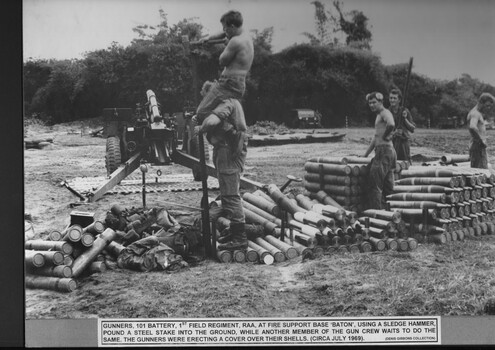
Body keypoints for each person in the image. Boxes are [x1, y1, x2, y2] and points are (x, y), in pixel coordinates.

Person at [198, 87, 248, 251]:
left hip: (228, 151)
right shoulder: (231, 102)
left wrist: (202, 127)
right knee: (227, 194)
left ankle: (240, 238)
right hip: (226, 150)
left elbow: (212, 122)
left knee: (231, 195)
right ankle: (235, 232)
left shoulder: (226, 103)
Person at [195, 10, 254, 123]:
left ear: (232, 26)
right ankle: (229, 129)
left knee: (201, 113)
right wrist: (209, 38)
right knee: (220, 114)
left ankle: (230, 131)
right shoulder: (245, 35)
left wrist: (227, 45)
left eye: (225, 27)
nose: (223, 30)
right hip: (239, 85)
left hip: (227, 84)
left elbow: (222, 61)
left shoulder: (235, 41)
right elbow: (225, 34)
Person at [362, 92, 397, 210]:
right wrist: (365, 154)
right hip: (388, 151)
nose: (371, 105)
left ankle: (376, 215)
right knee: (388, 185)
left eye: (374, 102)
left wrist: (386, 136)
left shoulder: (384, 113)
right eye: (370, 103)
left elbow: (391, 124)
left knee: (375, 184)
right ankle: (390, 212)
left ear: (381, 102)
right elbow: (376, 138)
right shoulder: (378, 115)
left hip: (384, 151)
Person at [467, 92, 495, 168]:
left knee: (482, 168)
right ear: (481, 102)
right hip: (477, 145)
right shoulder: (475, 113)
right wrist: (481, 140)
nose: (488, 108)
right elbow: (472, 127)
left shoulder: (478, 113)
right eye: (487, 106)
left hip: (478, 145)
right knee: (479, 170)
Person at [389, 88, 416, 165]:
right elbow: (384, 131)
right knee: (391, 163)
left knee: (405, 163)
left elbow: (412, 129)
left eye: (395, 98)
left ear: (399, 100)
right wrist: (394, 133)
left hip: (403, 143)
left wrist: (404, 119)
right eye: (391, 98)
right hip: (391, 142)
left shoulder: (405, 111)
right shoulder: (387, 112)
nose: (392, 100)